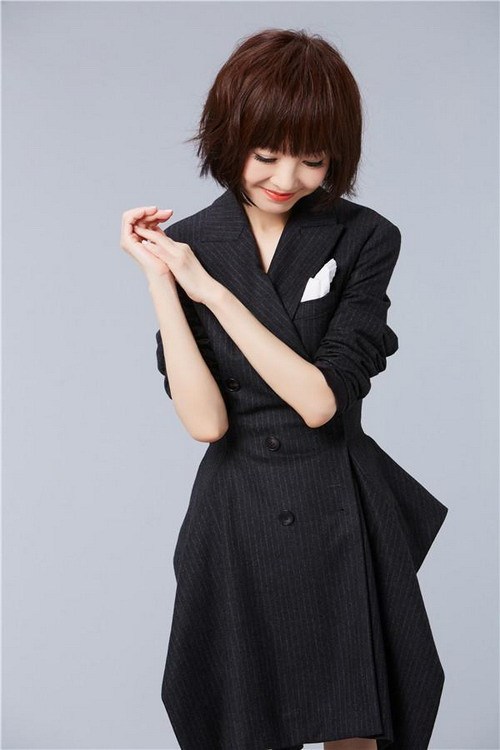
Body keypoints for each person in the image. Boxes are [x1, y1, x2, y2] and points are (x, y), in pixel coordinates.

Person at [120, 27, 448, 750]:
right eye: (266, 154)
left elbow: (320, 400)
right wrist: (162, 284)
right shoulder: (192, 241)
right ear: (229, 137)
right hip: (236, 516)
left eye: (313, 159)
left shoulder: (365, 237)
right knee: (243, 724)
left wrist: (210, 290)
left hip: (338, 505)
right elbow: (206, 424)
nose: (287, 177)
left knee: (357, 724)